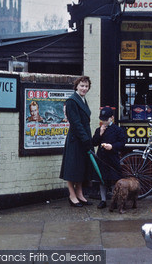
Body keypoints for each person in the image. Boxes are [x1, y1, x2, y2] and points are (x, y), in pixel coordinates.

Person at [59, 76, 94, 207]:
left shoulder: (82, 100)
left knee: (81, 168)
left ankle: (79, 194)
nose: (84, 88)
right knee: (72, 168)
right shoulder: (71, 101)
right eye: (82, 86)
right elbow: (76, 123)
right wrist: (85, 139)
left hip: (83, 137)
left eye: (86, 86)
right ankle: (72, 195)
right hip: (76, 139)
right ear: (76, 86)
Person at [92, 106, 126, 209]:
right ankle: (103, 200)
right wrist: (100, 134)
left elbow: (122, 143)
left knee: (114, 179)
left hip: (112, 158)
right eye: (102, 119)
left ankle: (114, 200)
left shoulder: (117, 130)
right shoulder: (99, 129)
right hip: (101, 158)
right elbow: (94, 142)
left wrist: (112, 147)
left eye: (106, 119)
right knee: (102, 180)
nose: (104, 122)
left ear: (112, 118)